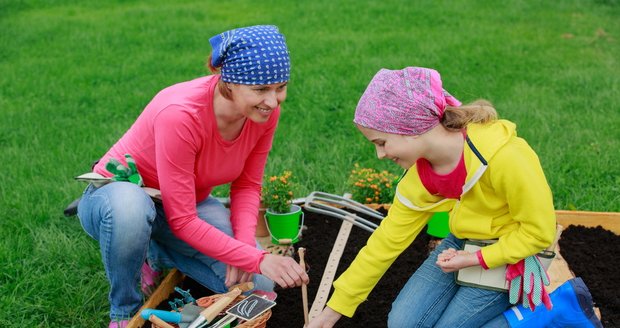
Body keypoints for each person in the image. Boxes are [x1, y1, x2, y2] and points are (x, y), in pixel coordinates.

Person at [307, 67, 602, 328]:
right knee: (402, 323)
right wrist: (332, 312)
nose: (380, 154)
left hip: (513, 252)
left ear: (409, 127)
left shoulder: (507, 158)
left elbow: (539, 231)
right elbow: (383, 245)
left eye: (382, 142)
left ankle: (556, 312)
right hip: (461, 243)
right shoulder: (419, 180)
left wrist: (476, 259)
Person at [77, 25, 309, 328]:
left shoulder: (263, 113)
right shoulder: (180, 114)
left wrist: (243, 252)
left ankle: (155, 253)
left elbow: (247, 184)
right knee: (131, 210)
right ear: (229, 82)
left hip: (186, 204)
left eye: (280, 87)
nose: (273, 100)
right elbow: (183, 220)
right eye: (261, 89)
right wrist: (256, 256)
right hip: (120, 198)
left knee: (260, 286)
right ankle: (124, 311)